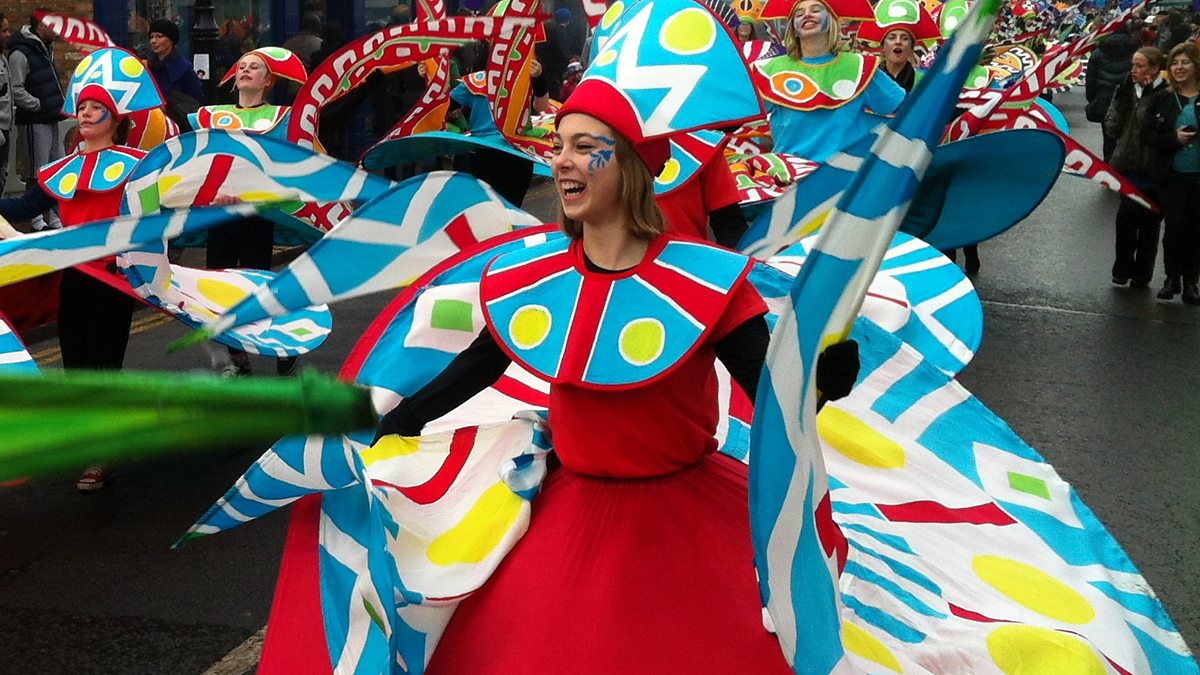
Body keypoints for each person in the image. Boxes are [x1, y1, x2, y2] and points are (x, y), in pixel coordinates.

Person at [374, 76, 859, 673]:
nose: (561, 160)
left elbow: (778, 405)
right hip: (571, 515)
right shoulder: (533, 276)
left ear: (629, 165)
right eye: (558, 146)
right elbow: (477, 366)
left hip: (685, 524)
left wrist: (822, 382)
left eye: (584, 146)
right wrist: (393, 422)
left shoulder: (708, 282)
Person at [0, 47, 163, 489]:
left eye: (96, 107)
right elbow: (24, 207)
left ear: (115, 118)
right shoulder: (61, 169)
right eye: (84, 106)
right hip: (74, 278)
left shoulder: (137, 168)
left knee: (102, 367)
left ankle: (102, 452)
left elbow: (159, 216)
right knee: (75, 367)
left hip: (113, 279)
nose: (86, 113)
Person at [190, 48, 309, 374]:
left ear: (268, 81)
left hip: (258, 214)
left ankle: (283, 346)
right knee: (220, 289)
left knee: (257, 288)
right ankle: (237, 359)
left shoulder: (283, 118)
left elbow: (286, 166)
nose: (245, 70)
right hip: (220, 215)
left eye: (255, 67)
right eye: (242, 66)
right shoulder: (211, 116)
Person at [752, 0, 905, 161]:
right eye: (799, 13)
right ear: (793, 29)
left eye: (816, 10)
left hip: (843, 172)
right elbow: (742, 114)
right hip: (789, 171)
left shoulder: (860, 67)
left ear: (831, 22)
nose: (807, 15)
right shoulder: (769, 70)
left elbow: (907, 110)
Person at [1105, 46, 1168, 289]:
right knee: (1126, 220)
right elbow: (1112, 127)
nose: (1133, 70)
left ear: (1155, 68)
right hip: (1128, 167)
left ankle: (1142, 274)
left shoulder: (1165, 93)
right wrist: (1119, 104)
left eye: (1140, 66)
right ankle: (1122, 269)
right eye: (1133, 65)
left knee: (1150, 224)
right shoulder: (1127, 90)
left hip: (1154, 169)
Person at [1144, 42, 1200, 304]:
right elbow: (1147, 135)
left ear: (1196, 66)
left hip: (1197, 176)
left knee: (1195, 229)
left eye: (1185, 62)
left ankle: (1191, 282)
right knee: (1175, 226)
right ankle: (1171, 278)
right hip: (1172, 175)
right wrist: (1173, 139)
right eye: (1175, 63)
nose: (1179, 68)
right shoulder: (1162, 98)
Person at [8, 10, 64, 231]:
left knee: (56, 168)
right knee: (36, 171)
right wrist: (38, 104)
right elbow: (16, 88)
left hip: (51, 116)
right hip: (33, 120)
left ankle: (55, 217)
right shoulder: (20, 53)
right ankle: (36, 221)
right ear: (41, 25)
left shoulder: (44, 47)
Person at [1086, 26, 1137, 159]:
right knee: (1127, 136)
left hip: (1105, 98)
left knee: (1108, 136)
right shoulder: (1135, 51)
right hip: (1129, 99)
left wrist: (1093, 100)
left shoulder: (1098, 52)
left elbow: (1090, 80)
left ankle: (1108, 164)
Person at [146, 18, 205, 129]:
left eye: (159, 36)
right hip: (152, 125)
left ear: (171, 40)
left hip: (177, 127)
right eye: (151, 37)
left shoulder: (184, 68)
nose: (153, 41)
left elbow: (197, 99)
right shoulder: (146, 66)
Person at [0, 14, 13, 194]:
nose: (9, 34)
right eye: (4, 30)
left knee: (2, 176)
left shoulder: (3, 58)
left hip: (5, 127)